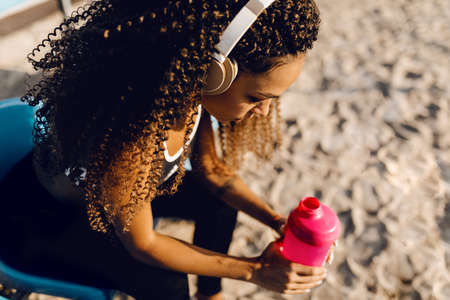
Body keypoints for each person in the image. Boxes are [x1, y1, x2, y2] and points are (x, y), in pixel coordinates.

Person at [0, 0, 327, 299]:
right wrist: (255, 270)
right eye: (256, 98)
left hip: (112, 203)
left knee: (219, 204)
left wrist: (275, 220)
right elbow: (144, 244)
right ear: (215, 73)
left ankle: (209, 295)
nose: (265, 112)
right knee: (167, 281)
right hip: (46, 221)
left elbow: (212, 172)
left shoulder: (182, 91)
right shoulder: (134, 132)